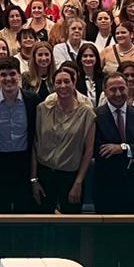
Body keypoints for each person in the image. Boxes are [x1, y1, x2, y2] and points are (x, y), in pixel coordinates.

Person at [32, 63, 95, 215]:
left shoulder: (86, 112)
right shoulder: (42, 109)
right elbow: (35, 144)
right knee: (43, 223)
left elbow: (89, 151)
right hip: (45, 174)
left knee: (71, 227)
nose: (63, 85)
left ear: (74, 83)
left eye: (67, 81)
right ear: (53, 85)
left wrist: (78, 182)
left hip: (71, 176)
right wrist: (34, 179)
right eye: (58, 82)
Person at [92, 73, 134, 214]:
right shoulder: (95, 116)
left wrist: (124, 148)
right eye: (113, 89)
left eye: (122, 88)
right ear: (104, 91)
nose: (118, 93)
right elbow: (98, 151)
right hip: (107, 189)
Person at [0, 58, 39, 214]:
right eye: (3, 74)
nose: (8, 79)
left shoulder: (32, 100)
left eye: (12, 74)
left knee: (24, 213)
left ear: (19, 76)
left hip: (24, 164)